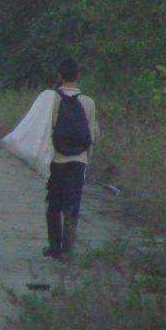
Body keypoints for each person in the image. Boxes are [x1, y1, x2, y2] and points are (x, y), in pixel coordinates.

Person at [43, 58, 100, 259]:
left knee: (54, 205)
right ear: (78, 76)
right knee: (72, 206)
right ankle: (68, 249)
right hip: (79, 160)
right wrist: (86, 159)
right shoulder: (88, 102)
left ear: (59, 75)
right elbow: (92, 135)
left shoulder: (52, 99)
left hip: (57, 160)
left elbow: (46, 131)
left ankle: (54, 246)